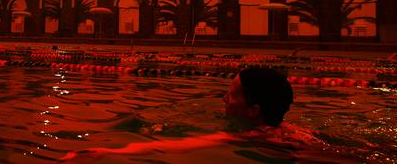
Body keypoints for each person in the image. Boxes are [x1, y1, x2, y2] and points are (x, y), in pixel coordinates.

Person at [60, 67, 306, 161]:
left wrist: (106, 151)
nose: (223, 98)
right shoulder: (294, 132)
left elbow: (179, 146)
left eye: (231, 94)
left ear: (254, 111)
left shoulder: (253, 137)